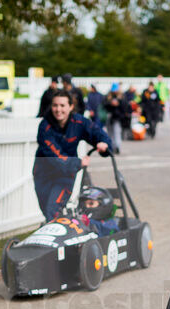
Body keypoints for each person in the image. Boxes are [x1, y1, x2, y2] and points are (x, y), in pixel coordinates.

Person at [33, 90, 111, 221]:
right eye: (55, 105)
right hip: (44, 173)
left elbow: (96, 132)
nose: (58, 109)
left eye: (62, 106)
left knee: (53, 208)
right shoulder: (44, 127)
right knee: (47, 210)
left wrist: (103, 143)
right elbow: (55, 155)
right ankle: (63, 228)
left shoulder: (79, 122)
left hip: (65, 175)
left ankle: (56, 237)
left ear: (71, 106)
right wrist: (78, 163)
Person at [103, 87, 127, 154]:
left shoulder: (121, 97)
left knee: (117, 132)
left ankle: (117, 147)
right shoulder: (108, 96)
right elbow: (104, 104)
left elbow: (124, 107)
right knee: (110, 133)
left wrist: (119, 103)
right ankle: (112, 146)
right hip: (110, 118)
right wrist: (111, 103)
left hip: (117, 118)